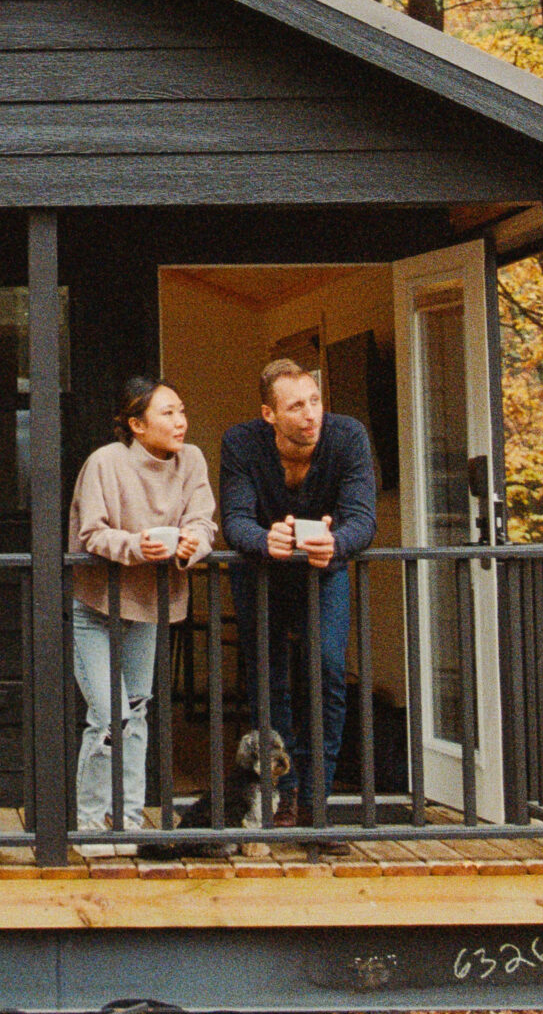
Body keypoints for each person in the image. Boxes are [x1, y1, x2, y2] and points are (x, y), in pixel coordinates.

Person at [220, 357, 377, 834]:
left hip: (322, 571)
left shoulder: (347, 436)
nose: (311, 414)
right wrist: (261, 539)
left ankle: (316, 802)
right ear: (270, 414)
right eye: (296, 406)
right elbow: (235, 519)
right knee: (268, 680)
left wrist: (339, 542)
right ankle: (281, 795)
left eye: (315, 401)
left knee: (328, 670)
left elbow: (362, 519)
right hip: (260, 574)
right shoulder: (241, 442)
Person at [67, 377, 217, 852]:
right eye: (168, 413)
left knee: (136, 710)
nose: (181, 422)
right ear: (136, 424)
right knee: (109, 716)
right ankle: (92, 822)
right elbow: (91, 533)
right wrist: (136, 546)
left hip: (150, 604)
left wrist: (193, 545)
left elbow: (203, 519)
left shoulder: (192, 460)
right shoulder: (105, 463)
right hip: (98, 605)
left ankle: (129, 819)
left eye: (182, 410)